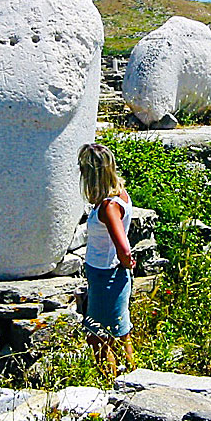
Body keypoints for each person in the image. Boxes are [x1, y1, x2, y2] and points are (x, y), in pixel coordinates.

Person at [78, 143, 136, 376]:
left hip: (106, 275)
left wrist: (126, 262)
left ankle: (110, 382)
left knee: (98, 336)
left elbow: (122, 246)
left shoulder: (108, 206)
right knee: (121, 331)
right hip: (110, 274)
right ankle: (131, 376)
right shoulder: (119, 195)